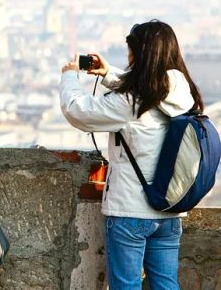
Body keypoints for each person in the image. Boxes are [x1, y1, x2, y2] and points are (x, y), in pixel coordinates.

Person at [60, 20, 204, 290]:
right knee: (166, 285)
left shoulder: (133, 101)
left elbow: (79, 111)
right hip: (169, 209)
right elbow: (148, 90)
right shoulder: (181, 89)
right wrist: (107, 74)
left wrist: (70, 76)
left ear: (141, 54)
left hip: (131, 209)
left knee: (125, 286)